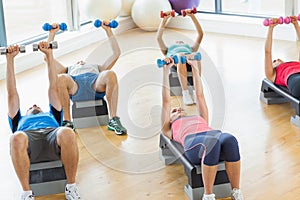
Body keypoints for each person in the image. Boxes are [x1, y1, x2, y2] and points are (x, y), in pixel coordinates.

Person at [160, 56, 244, 200]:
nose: (178, 110)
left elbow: (199, 95)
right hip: (194, 142)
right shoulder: (168, 128)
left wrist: (194, 66)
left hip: (212, 134)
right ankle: (208, 195)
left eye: (179, 109)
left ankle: (236, 191)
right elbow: (166, 101)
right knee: (211, 143)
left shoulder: (200, 118)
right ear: (169, 119)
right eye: (174, 112)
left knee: (230, 139)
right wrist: (165, 71)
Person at [6, 42, 80, 200]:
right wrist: (10, 60)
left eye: (37, 105)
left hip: (52, 135)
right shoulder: (19, 120)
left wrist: (49, 55)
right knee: (15, 138)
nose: (34, 105)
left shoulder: (52, 114)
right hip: (28, 139)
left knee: (67, 131)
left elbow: (53, 87)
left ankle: (72, 187)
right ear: (25, 113)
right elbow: (12, 93)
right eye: (31, 107)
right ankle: (27, 193)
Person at [47, 22, 127, 135]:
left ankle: (113, 119)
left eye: (83, 62)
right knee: (61, 78)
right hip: (75, 86)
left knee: (110, 74)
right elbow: (48, 58)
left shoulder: (96, 67)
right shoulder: (69, 69)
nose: (80, 62)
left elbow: (116, 53)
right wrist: (52, 34)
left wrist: (108, 30)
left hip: (95, 84)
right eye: (78, 62)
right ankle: (67, 121)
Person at [157, 8, 204, 105]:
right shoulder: (168, 50)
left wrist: (192, 16)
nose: (179, 41)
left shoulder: (190, 48)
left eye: (181, 42)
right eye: (176, 42)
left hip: (189, 59)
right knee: (180, 56)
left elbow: (200, 34)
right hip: (177, 61)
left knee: (196, 56)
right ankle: (185, 93)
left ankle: (196, 92)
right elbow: (158, 37)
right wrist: (164, 19)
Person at [265, 16, 300, 98]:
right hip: (294, 79)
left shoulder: (297, 63)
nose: (277, 59)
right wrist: (271, 28)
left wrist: (296, 24)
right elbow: (267, 52)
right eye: (274, 61)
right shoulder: (273, 74)